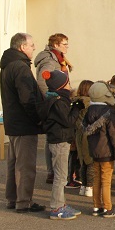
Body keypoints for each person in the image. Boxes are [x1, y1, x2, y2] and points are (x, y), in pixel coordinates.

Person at [1, 33, 45, 213]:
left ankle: (13, 199)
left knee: (14, 163)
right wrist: (38, 118)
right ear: (22, 47)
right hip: (23, 123)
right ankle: (23, 201)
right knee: (25, 165)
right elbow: (27, 98)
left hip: (13, 122)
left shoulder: (7, 65)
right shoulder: (20, 67)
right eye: (32, 45)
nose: (34, 48)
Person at [40, 69, 84, 220]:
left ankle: (61, 203)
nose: (69, 86)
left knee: (61, 175)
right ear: (60, 86)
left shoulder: (56, 99)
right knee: (60, 176)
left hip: (59, 140)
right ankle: (56, 207)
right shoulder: (58, 102)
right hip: (59, 141)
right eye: (67, 83)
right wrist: (77, 108)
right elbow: (68, 121)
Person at [84, 81, 115, 217]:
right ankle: (108, 208)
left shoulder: (88, 112)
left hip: (94, 151)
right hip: (107, 152)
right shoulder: (109, 113)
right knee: (106, 180)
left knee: (97, 179)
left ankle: (96, 206)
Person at [34, 33, 72, 185]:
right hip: (54, 103)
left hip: (55, 101)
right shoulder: (50, 60)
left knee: (52, 138)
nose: (67, 46)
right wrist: (52, 97)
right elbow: (43, 80)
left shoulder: (58, 58)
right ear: (55, 45)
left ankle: (54, 172)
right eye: (64, 44)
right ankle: (53, 173)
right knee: (54, 138)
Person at [73, 80, 94, 197]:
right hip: (88, 133)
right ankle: (89, 187)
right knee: (90, 161)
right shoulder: (90, 103)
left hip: (78, 133)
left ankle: (83, 186)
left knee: (82, 161)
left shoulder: (75, 102)